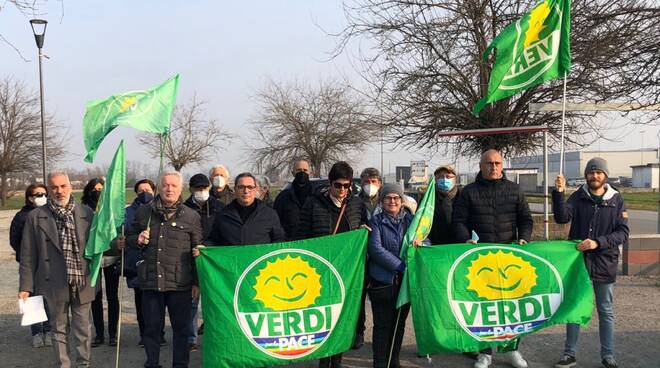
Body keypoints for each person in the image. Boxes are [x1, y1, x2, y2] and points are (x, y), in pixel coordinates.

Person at [453, 149, 533, 368]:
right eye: (489, 163)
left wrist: (524, 238)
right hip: (480, 260)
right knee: (483, 307)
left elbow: (526, 219)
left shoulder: (515, 190)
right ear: (481, 165)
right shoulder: (468, 192)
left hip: (509, 259)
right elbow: (459, 221)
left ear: (502, 165)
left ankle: (512, 350)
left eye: (498, 163)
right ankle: (485, 352)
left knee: (511, 308)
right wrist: (465, 239)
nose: (494, 167)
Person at [552, 158, 629, 368]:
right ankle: (569, 354)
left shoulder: (616, 200)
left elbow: (622, 233)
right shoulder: (578, 197)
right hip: (580, 265)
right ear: (586, 175)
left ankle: (608, 356)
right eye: (591, 172)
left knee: (605, 310)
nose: (594, 176)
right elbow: (561, 217)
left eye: (598, 172)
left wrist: (598, 243)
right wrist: (559, 193)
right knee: (575, 308)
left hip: (605, 263)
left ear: (605, 175)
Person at [18, 171, 97, 368]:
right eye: (54, 187)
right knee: (59, 329)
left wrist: (117, 244)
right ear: (48, 190)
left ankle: (83, 364)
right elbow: (28, 254)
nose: (59, 191)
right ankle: (63, 365)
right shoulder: (36, 217)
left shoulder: (87, 213)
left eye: (63, 186)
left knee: (84, 329)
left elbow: (99, 245)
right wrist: (25, 286)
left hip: (82, 280)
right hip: (52, 281)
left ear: (70, 187)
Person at [295, 161, 368, 368]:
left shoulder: (356, 204)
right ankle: (323, 361)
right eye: (338, 185)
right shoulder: (313, 203)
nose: (343, 190)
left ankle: (337, 361)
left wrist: (364, 230)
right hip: (321, 274)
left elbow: (362, 227)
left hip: (347, 275)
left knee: (342, 321)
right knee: (324, 322)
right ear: (330, 183)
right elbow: (302, 236)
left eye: (347, 186)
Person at [126, 171, 202, 368]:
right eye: (166, 185)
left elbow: (198, 250)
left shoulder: (191, 216)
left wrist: (196, 282)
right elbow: (129, 239)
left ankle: (180, 364)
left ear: (180, 189)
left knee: (181, 330)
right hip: (151, 282)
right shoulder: (144, 211)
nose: (169, 189)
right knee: (152, 329)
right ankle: (152, 363)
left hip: (181, 283)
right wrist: (137, 239)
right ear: (160, 187)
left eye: (174, 186)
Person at [367, 183, 422, 368]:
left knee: (399, 325)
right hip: (383, 282)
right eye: (388, 198)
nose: (392, 201)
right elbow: (376, 249)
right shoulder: (375, 222)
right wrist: (400, 265)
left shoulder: (411, 221)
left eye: (396, 198)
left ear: (402, 200)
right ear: (382, 201)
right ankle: (380, 362)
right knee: (382, 326)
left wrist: (421, 244)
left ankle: (394, 360)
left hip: (404, 284)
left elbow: (425, 239)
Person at [116, 179, 166, 347]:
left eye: (147, 189)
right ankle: (144, 334)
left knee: (158, 301)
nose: (144, 192)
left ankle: (160, 333)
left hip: (158, 262)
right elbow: (124, 232)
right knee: (141, 302)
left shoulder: (161, 208)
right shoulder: (128, 212)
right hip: (137, 262)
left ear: (153, 190)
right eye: (140, 190)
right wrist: (124, 240)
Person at [183, 173, 224, 352]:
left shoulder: (219, 207)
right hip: (190, 259)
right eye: (198, 189)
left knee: (215, 302)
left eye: (204, 188)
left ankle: (215, 336)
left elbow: (223, 232)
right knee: (191, 302)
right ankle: (191, 339)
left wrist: (209, 247)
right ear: (191, 189)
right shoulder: (183, 209)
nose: (202, 192)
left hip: (213, 259)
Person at [10, 183, 52, 348]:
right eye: (37, 194)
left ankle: (49, 330)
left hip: (48, 263)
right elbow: (14, 240)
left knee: (49, 298)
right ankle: (36, 332)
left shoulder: (50, 213)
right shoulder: (22, 216)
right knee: (32, 297)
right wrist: (25, 255)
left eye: (43, 193)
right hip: (30, 264)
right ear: (29, 197)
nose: (41, 197)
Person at [83, 178, 121, 348]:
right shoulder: (83, 210)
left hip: (111, 257)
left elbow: (118, 231)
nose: (98, 192)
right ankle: (99, 334)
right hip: (93, 259)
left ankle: (113, 333)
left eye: (101, 189)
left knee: (112, 296)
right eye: (95, 189)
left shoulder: (112, 209)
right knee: (95, 297)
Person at [205, 172, 285, 246]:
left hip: (260, 261)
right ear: (235, 190)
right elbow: (213, 240)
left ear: (255, 190)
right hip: (232, 261)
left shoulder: (269, 214)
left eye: (250, 187)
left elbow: (279, 240)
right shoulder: (223, 215)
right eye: (241, 187)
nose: (246, 191)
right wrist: (204, 248)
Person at [354, 167, 384, 350]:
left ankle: (381, 334)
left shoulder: (387, 200)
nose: (370, 185)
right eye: (366, 182)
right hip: (361, 257)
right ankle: (359, 333)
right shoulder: (355, 203)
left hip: (381, 257)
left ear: (379, 183)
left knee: (380, 299)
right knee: (359, 299)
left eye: (373, 181)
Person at [273, 158, 313, 240]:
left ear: (310, 173)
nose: (302, 173)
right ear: (293, 173)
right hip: (290, 246)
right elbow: (275, 224)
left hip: (312, 246)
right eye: (299, 170)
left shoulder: (317, 196)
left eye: (305, 170)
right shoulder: (282, 197)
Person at [428, 165, 461, 245]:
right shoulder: (428, 198)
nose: (445, 179)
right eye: (441, 177)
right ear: (435, 179)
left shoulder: (462, 196)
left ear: (455, 179)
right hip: (435, 245)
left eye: (448, 177)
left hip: (458, 245)